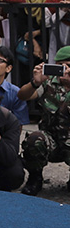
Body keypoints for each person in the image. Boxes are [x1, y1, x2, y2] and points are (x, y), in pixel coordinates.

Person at [17, 49, 70, 196]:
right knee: (34, 139)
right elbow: (22, 96)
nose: (65, 69)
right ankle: (35, 178)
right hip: (50, 140)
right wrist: (35, 82)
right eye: (61, 65)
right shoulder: (48, 81)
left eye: (69, 65)